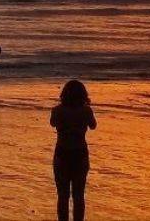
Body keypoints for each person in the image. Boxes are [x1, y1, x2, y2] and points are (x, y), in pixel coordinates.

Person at [50, 79, 96, 221]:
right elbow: (93, 126)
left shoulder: (57, 110)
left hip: (62, 153)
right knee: (79, 196)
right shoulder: (86, 110)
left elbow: (52, 123)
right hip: (80, 154)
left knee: (63, 196)